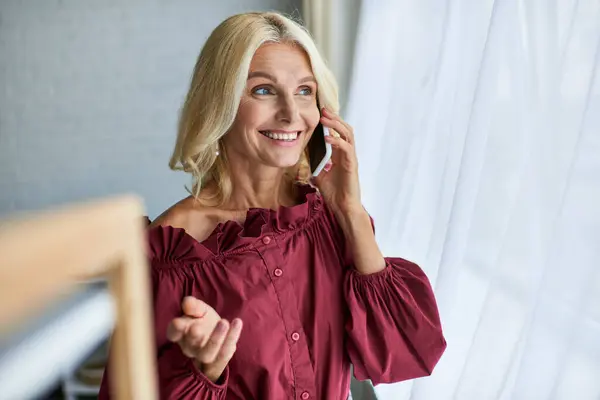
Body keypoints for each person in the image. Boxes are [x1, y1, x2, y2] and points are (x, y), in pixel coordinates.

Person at [99, 11, 446, 400]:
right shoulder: (171, 254)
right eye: (263, 90)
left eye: (304, 91)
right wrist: (203, 370)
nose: (291, 113)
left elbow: (404, 354)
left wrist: (351, 211)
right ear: (221, 104)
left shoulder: (333, 220)